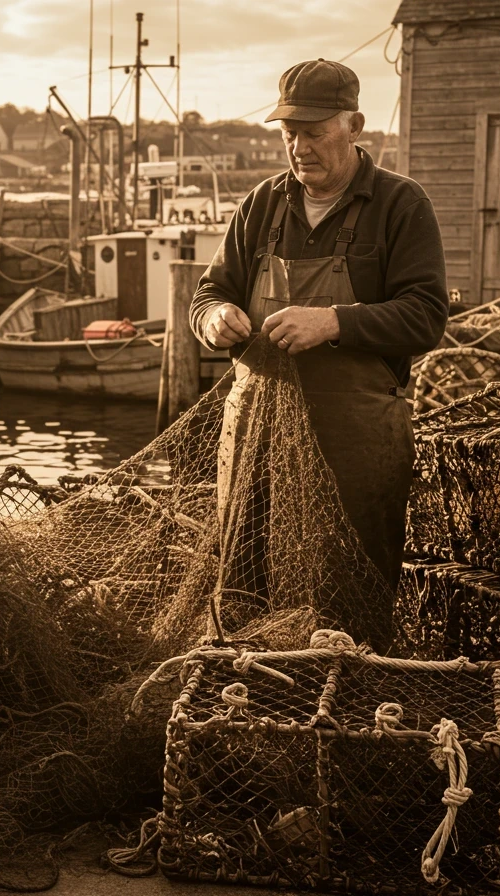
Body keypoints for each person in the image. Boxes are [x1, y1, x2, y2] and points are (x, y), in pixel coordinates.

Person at [190, 59, 448, 648]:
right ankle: (247, 705)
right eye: (289, 133)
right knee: (246, 578)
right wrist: (213, 319)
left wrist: (333, 321)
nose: (299, 147)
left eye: (314, 132)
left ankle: (350, 711)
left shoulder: (400, 205)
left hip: (354, 444)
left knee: (346, 595)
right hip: (256, 433)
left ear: (355, 125)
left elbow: (427, 316)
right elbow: (210, 292)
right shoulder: (261, 204)